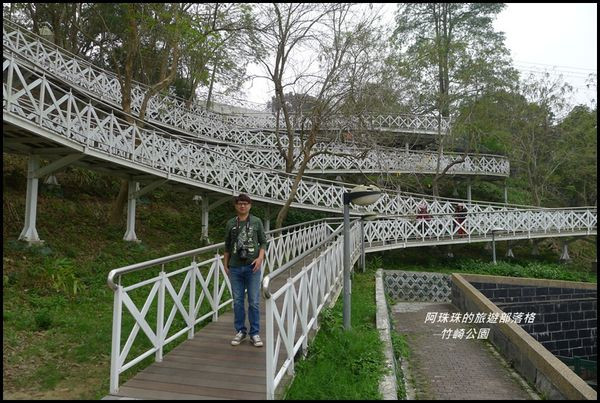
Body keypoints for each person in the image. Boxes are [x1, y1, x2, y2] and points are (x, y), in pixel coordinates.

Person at [224, 193, 267, 347]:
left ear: (250, 205)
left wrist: (260, 258)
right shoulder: (231, 223)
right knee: (237, 301)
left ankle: (255, 333)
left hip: (252, 267)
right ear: (236, 205)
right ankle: (241, 331)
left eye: (245, 203)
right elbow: (227, 246)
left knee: (254, 301)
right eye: (240, 203)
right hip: (235, 267)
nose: (243, 206)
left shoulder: (256, 222)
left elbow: (263, 242)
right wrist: (225, 264)